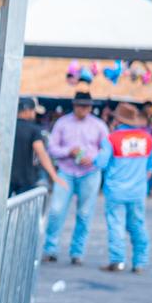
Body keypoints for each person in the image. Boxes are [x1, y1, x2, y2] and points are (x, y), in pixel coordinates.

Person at [43, 90, 109, 264]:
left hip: (90, 173)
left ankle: (77, 252)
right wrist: (68, 151)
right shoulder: (62, 123)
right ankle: (50, 249)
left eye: (87, 106)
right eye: (80, 106)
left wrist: (93, 159)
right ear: (74, 105)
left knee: (85, 214)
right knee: (56, 211)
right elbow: (52, 148)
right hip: (66, 171)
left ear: (91, 107)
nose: (83, 109)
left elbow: (107, 150)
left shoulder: (99, 125)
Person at [0, 97, 59, 196]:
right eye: (33, 111)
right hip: (26, 179)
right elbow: (41, 154)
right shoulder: (34, 130)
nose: (35, 114)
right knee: (23, 205)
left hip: (3, 178)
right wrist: (54, 176)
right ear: (27, 111)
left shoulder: (5, 128)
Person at [100, 103, 152, 274]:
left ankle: (118, 261)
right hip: (138, 190)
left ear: (118, 120)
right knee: (138, 225)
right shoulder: (148, 139)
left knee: (116, 224)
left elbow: (101, 162)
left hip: (115, 190)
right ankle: (140, 262)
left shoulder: (112, 139)